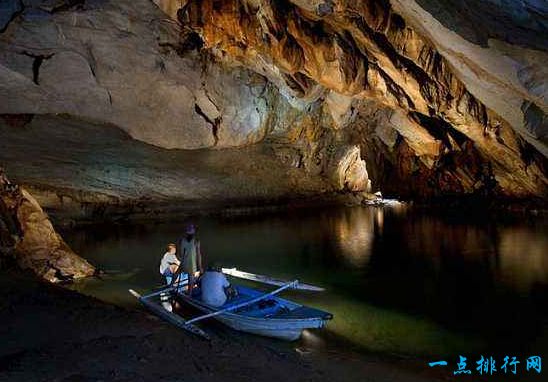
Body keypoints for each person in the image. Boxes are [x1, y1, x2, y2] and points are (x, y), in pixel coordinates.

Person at [176, 223, 203, 294]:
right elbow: (198, 255)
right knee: (190, 279)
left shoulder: (181, 240)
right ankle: (189, 294)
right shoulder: (196, 241)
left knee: (177, 272)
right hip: (191, 264)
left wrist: (180, 260)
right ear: (193, 232)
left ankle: (170, 285)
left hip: (183, 262)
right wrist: (200, 268)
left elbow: (179, 254)